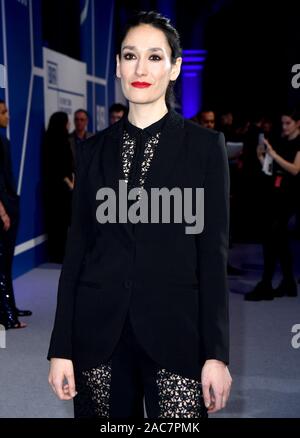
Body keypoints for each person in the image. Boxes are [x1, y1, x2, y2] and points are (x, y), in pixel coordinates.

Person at [47, 11, 232, 418]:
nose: (140, 68)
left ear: (175, 66)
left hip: (176, 336)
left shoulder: (204, 148)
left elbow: (212, 257)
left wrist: (216, 355)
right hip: (98, 337)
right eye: (130, 56)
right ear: (117, 66)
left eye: (154, 56)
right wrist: (60, 348)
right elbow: (75, 254)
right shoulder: (91, 151)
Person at [245, 109, 300, 301]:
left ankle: (266, 283)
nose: (284, 127)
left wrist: (274, 154)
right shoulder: (282, 140)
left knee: (272, 237)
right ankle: (289, 283)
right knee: (279, 240)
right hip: (276, 194)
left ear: (297, 123)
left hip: (291, 196)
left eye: (288, 123)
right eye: (283, 123)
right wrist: (262, 157)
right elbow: (271, 169)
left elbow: (295, 169)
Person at [0, 99, 31, 329]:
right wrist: (2, 212)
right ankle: (8, 316)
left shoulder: (4, 140)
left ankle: (10, 306)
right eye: (3, 112)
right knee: (2, 263)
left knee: (5, 262)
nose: (7, 115)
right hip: (4, 208)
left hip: (9, 205)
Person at [42, 112, 74, 263]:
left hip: (53, 189)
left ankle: (57, 253)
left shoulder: (49, 139)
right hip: (60, 189)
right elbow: (58, 166)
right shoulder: (59, 141)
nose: (69, 125)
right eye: (67, 122)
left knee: (57, 223)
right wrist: (69, 183)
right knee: (60, 223)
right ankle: (59, 254)